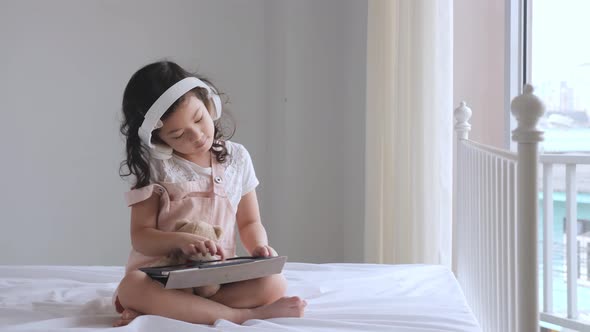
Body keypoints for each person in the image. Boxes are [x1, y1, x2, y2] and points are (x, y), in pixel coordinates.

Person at [113, 61, 306, 327]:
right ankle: (242, 316)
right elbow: (141, 237)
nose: (196, 136)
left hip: (213, 279)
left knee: (274, 283)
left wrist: (258, 247)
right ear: (158, 140)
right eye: (178, 134)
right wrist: (180, 241)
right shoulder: (155, 167)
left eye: (199, 119)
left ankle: (173, 311)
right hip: (161, 279)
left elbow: (250, 222)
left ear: (209, 103)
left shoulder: (237, 158)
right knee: (131, 287)